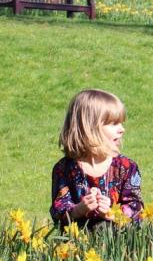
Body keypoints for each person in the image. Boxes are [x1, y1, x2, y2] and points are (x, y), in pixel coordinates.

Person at [50, 89, 144, 229]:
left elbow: (136, 209)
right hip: (78, 243)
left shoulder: (126, 167)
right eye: (114, 123)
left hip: (117, 244)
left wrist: (111, 213)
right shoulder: (64, 168)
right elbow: (58, 210)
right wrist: (78, 210)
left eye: (121, 123)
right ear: (90, 128)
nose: (122, 129)